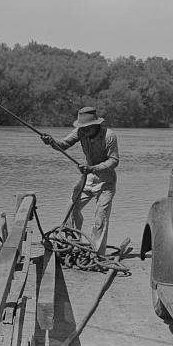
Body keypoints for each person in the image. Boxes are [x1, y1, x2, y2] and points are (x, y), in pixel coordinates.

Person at [41, 107, 119, 256]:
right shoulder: (80, 132)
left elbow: (114, 161)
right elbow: (63, 145)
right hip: (88, 178)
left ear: (95, 125)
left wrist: (93, 168)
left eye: (87, 127)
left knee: (100, 218)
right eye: (82, 127)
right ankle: (73, 245)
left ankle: (97, 255)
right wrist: (51, 142)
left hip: (106, 181)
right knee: (72, 207)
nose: (84, 130)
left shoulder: (109, 135)